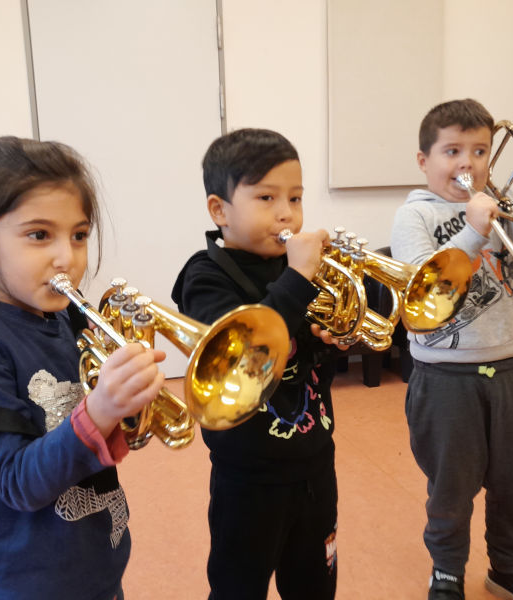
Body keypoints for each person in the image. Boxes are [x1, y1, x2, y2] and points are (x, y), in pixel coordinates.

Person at [0, 136, 166, 599]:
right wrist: (99, 409)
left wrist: (129, 403)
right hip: (25, 582)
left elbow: (104, 437)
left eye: (79, 235)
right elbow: (17, 482)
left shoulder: (65, 319)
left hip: (96, 566)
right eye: (39, 235)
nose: (66, 259)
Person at [390, 99, 513, 600]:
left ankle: (510, 569)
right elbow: (427, 287)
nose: (467, 163)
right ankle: (446, 573)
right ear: (424, 161)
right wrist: (472, 230)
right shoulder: (412, 217)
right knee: (450, 489)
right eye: (451, 151)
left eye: (480, 150)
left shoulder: (504, 206)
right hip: (445, 378)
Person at [171, 128, 342, 599]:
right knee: (238, 587)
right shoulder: (205, 277)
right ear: (219, 210)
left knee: (315, 584)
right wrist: (299, 277)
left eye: (296, 197)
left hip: (316, 464)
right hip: (247, 477)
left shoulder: (300, 268)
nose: (286, 212)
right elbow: (248, 358)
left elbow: (310, 366)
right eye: (266, 197)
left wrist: (336, 339)